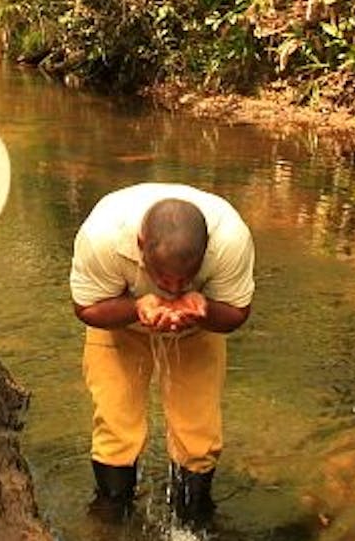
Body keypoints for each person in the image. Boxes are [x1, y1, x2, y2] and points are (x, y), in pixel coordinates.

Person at [69, 183, 256, 525]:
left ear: (206, 251)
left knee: (198, 431)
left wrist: (204, 310)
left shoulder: (230, 240)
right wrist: (136, 308)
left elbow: (237, 313)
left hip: (198, 329)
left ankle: (193, 513)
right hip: (120, 322)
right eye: (162, 279)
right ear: (141, 244)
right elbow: (86, 307)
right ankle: (113, 509)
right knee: (115, 420)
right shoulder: (101, 237)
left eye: (185, 280)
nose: (172, 290)